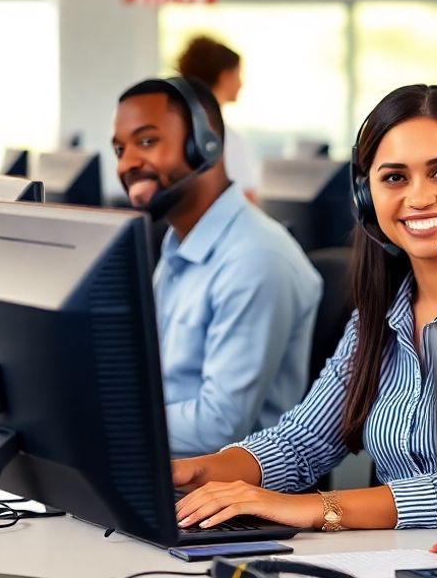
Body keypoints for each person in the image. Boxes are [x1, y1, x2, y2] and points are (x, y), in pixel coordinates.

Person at [171, 84, 437, 531]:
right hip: (387, 558)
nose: (419, 197)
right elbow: (302, 441)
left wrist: (319, 508)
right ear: (366, 195)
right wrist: (196, 471)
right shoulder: (384, 308)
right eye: (394, 177)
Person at [112, 77, 322, 457]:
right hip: (163, 473)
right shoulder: (179, 246)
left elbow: (218, 427)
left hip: (230, 502)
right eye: (119, 149)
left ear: (204, 144)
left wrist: (102, 416)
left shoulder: (255, 259)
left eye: (146, 141)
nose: (126, 164)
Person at [176, 35, 260, 203]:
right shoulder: (226, 138)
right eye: (239, 74)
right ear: (225, 76)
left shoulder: (174, 129)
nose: (242, 83)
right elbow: (247, 201)